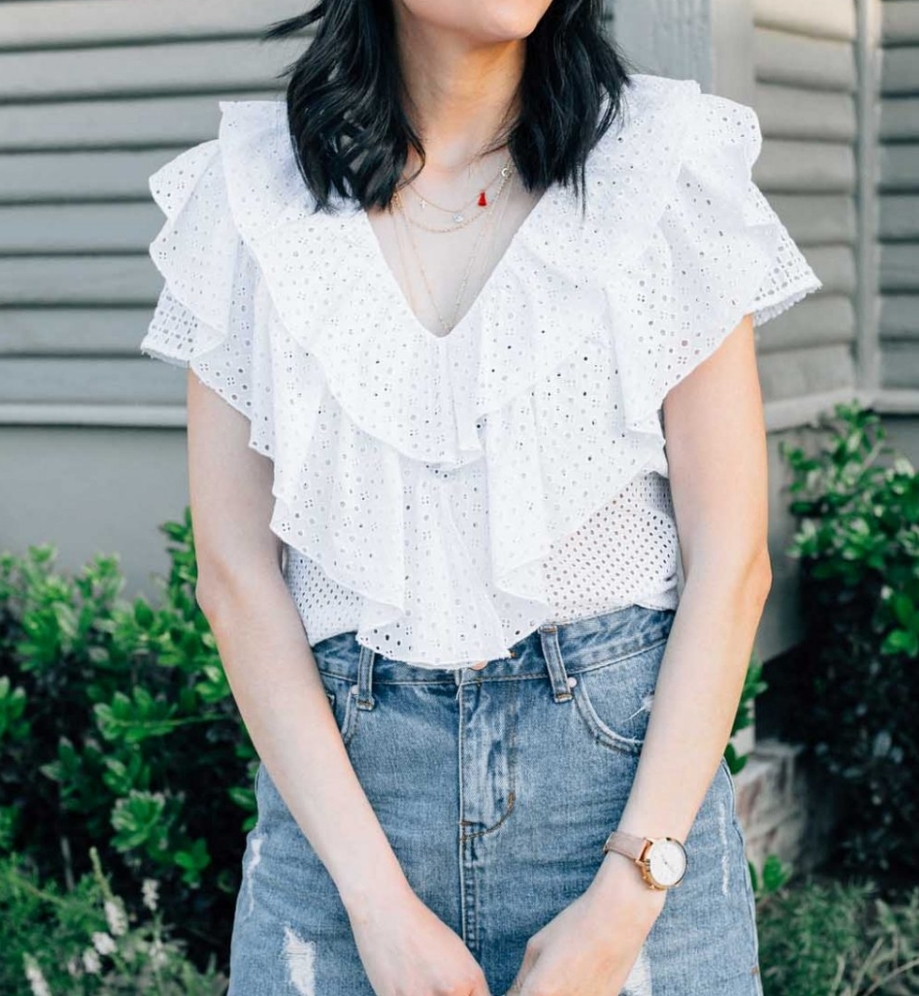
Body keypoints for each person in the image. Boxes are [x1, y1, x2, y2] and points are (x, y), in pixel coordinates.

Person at [138, 1, 821, 994]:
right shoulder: (250, 195)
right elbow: (236, 574)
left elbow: (732, 562)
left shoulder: (662, 167)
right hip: (343, 823)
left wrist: (627, 897)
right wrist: (375, 905)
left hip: (623, 801)